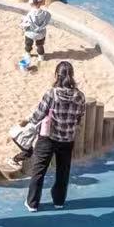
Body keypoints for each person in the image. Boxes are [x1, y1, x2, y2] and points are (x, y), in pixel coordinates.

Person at [23, 62, 86, 211]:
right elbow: (80, 116)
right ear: (72, 75)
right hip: (68, 138)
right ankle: (59, 201)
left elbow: (39, 114)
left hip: (49, 137)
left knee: (39, 169)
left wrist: (28, 122)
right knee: (63, 171)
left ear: (57, 75)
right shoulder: (80, 96)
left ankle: (32, 203)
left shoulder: (52, 93)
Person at [20, 0, 52, 70]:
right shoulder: (45, 13)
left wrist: (22, 24)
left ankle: (28, 54)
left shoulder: (30, 14)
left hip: (30, 33)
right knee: (40, 45)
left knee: (28, 44)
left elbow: (26, 23)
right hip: (40, 34)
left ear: (30, 4)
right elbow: (48, 18)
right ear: (40, 2)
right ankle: (41, 56)